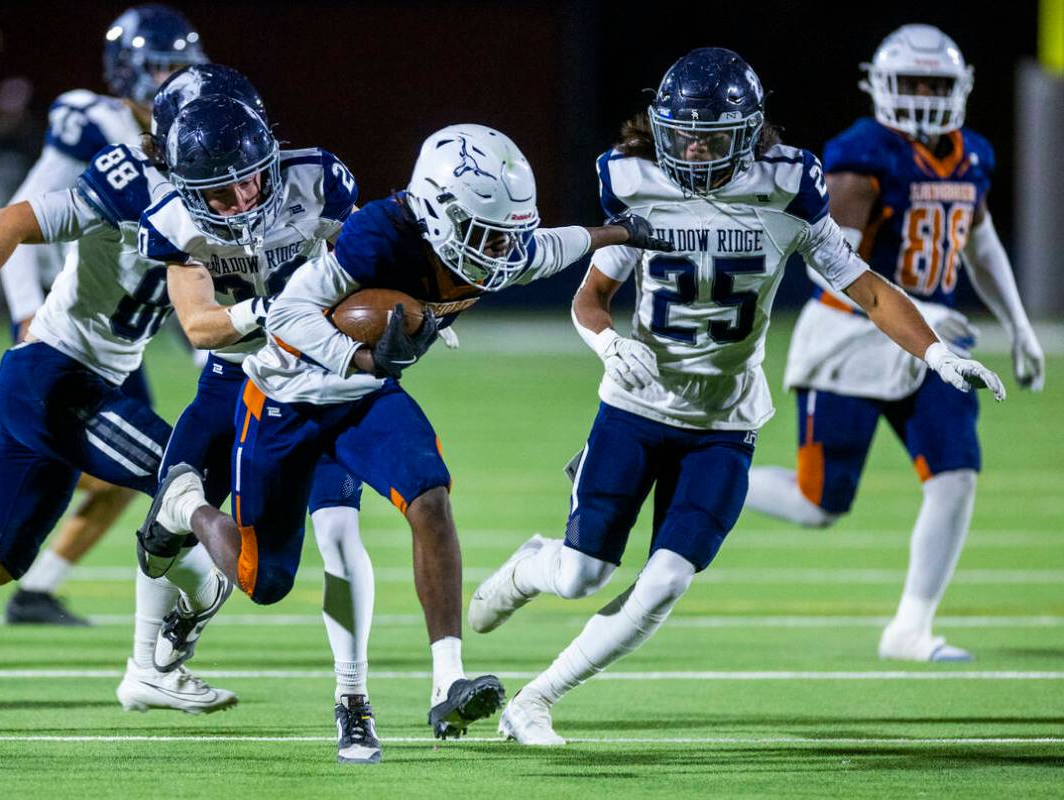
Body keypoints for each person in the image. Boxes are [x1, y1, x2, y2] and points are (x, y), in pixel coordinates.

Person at [468, 47, 1006, 746]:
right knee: (580, 574)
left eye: (711, 136)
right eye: (681, 131)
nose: (692, 148)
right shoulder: (637, 183)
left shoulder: (789, 192)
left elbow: (868, 289)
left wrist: (934, 353)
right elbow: (591, 299)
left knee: (664, 583)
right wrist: (608, 345)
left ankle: (536, 699)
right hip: (636, 407)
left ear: (750, 134)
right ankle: (531, 565)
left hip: (726, 420)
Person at [137, 122, 673, 747]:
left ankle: (449, 681)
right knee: (264, 580)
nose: (498, 250)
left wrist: (621, 232)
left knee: (430, 496)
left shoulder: (501, 248)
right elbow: (285, 315)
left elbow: (548, 246)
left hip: (364, 398)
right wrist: (361, 357)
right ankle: (187, 505)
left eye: (506, 234)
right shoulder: (377, 236)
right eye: (486, 234)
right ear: (440, 210)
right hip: (284, 397)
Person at [0, 92, 238, 713]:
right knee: (182, 483)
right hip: (57, 377)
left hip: (66, 382)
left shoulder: (211, 206)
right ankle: (148, 666)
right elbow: (5, 222)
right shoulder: (128, 186)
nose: (237, 175)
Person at [743, 24, 1045, 662]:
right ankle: (707, 479)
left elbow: (978, 242)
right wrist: (928, 310)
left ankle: (911, 626)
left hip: (932, 343)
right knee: (817, 502)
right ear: (881, 85)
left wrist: (1019, 323)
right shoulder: (862, 154)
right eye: (912, 82)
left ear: (960, 86)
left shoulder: (973, 155)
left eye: (935, 83)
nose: (925, 94)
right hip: (853, 341)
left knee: (956, 475)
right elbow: (832, 264)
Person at [0, 3, 207, 626]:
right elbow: (18, 213)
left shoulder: (187, 143)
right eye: (159, 67)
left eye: (179, 68)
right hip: (65, 318)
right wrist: (26, 309)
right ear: (127, 70)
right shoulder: (92, 121)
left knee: (124, 473)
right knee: (147, 468)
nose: (169, 81)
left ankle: (35, 584)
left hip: (124, 318)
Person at [129, 85, 381, 763]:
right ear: (187, 190)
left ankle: (353, 701)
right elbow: (200, 327)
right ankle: (185, 592)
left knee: (337, 527)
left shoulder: (318, 178)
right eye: (220, 193)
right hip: (231, 381)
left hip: (316, 382)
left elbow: (367, 267)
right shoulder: (174, 222)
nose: (242, 200)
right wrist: (277, 310)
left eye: (249, 180)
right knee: (157, 542)